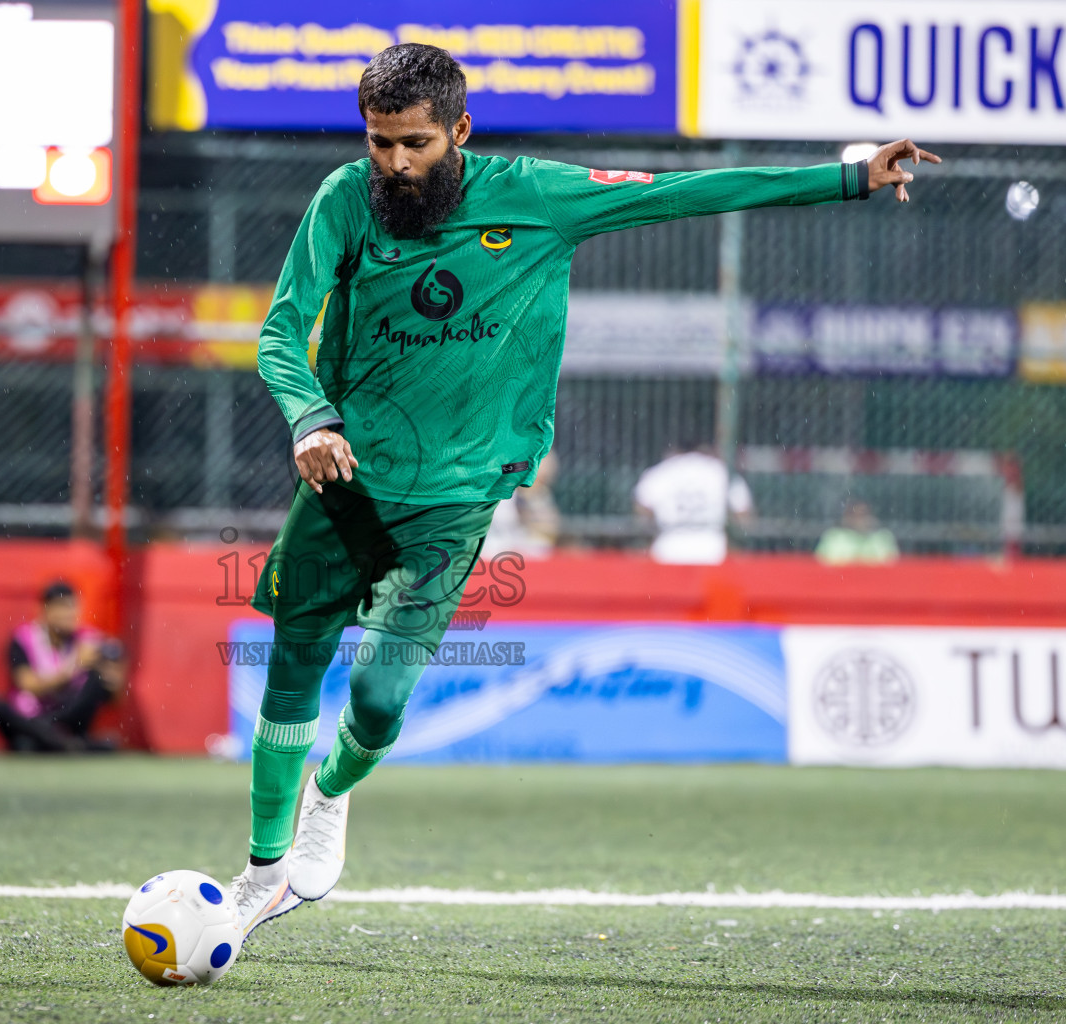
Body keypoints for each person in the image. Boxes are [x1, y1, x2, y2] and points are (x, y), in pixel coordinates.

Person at [232, 41, 939, 937]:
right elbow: (280, 334)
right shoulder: (344, 198)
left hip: (455, 497)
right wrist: (311, 420)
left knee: (375, 697)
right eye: (380, 144)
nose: (397, 165)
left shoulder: (536, 195)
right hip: (344, 481)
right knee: (288, 673)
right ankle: (260, 873)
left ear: (461, 129)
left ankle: (330, 794)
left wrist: (843, 177)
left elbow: (686, 193)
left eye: (415, 144)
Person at [0, 581, 126, 753]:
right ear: (45, 610)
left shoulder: (90, 640)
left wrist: (114, 680)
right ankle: (71, 744)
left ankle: (49, 742)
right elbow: (28, 685)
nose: (68, 614)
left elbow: (112, 697)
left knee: (27, 743)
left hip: (69, 716)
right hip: (35, 716)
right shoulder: (24, 639)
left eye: (72, 607)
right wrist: (74, 666)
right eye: (62, 607)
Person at [633, 444, 754, 565]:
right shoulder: (720, 470)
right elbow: (743, 515)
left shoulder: (659, 471)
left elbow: (642, 510)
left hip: (668, 549)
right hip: (713, 550)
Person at [479, 451, 561, 560]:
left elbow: (549, 530)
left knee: (539, 548)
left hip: (515, 539)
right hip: (490, 540)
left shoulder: (536, 493)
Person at [816, 499, 900, 566]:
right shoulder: (833, 537)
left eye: (863, 514)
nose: (859, 520)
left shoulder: (883, 538)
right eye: (855, 515)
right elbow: (821, 566)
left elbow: (892, 566)